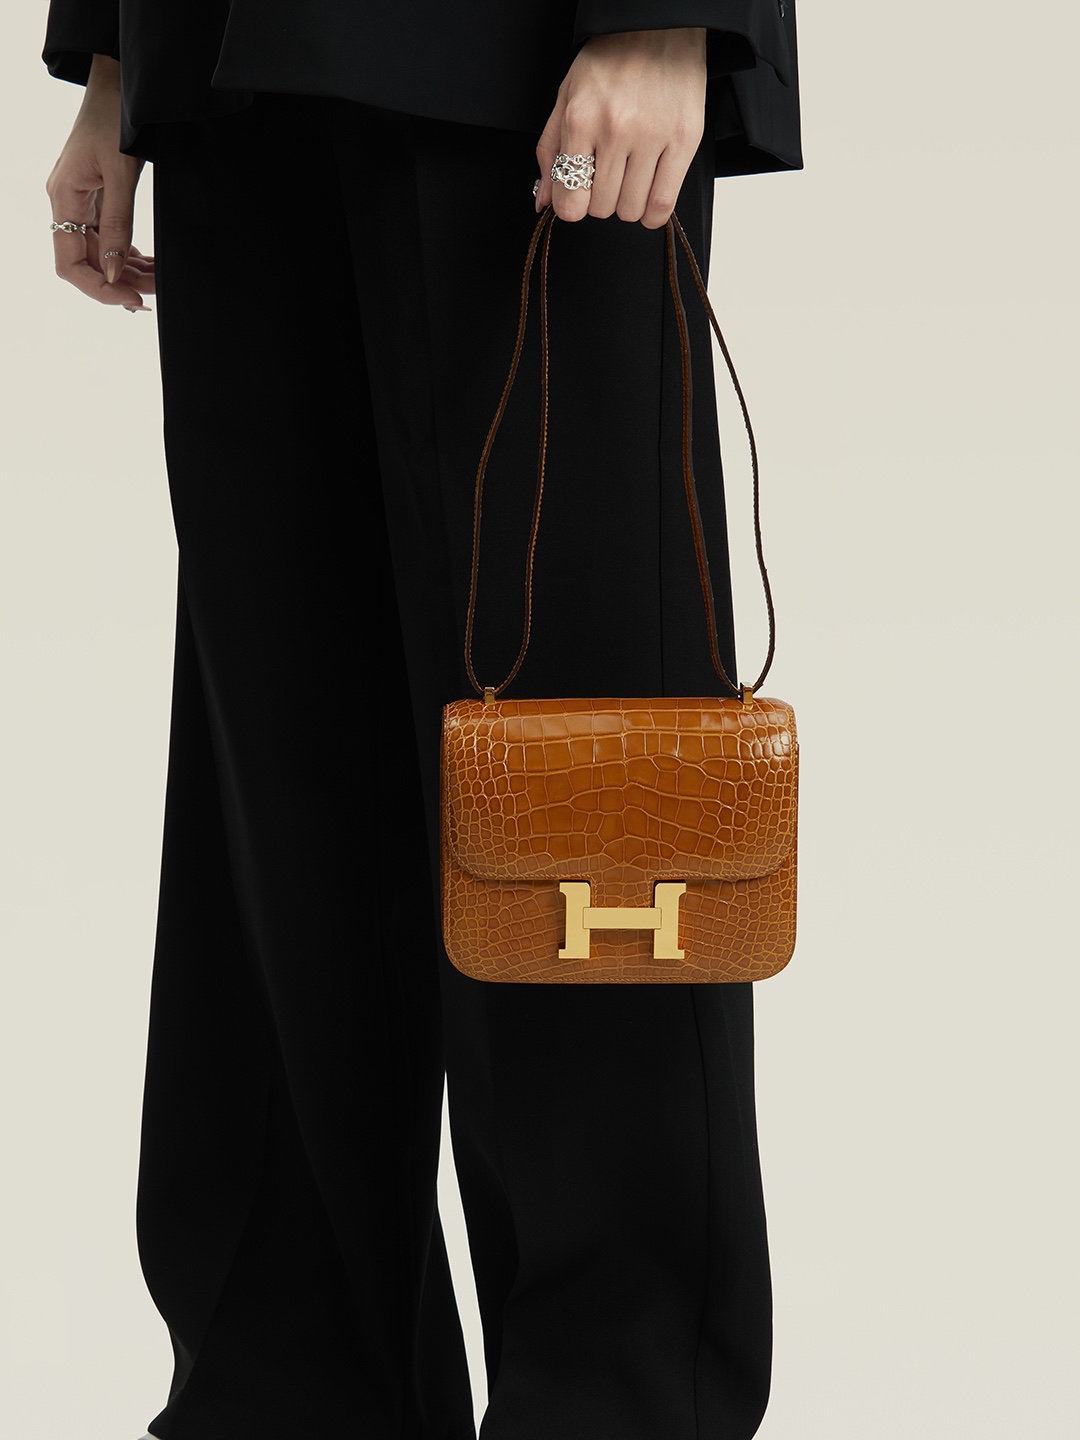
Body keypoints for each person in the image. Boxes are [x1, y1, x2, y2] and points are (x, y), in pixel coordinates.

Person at [41, 6, 803, 1438]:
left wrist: (667, 14)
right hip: (223, 58)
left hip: (522, 61)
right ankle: (289, 1402)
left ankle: (618, 1407)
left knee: (584, 799)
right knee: (282, 778)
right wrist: (112, 64)